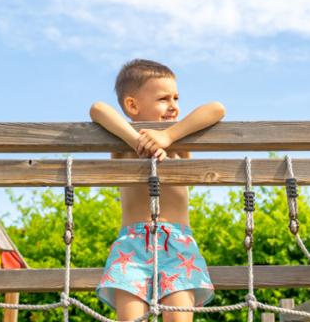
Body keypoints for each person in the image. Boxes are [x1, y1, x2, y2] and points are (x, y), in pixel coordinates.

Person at [90, 59, 226, 322]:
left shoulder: (179, 142)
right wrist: (137, 141)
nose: (174, 105)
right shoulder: (123, 144)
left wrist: (168, 136)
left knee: (179, 317)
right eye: (163, 98)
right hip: (132, 245)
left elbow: (217, 109)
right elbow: (97, 109)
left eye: (176, 97)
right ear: (132, 105)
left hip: (178, 244)